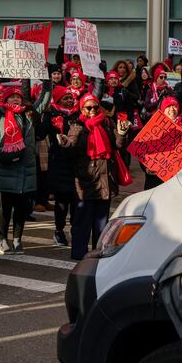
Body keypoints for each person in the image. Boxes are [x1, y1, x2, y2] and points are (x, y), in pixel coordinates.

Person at [0, 65, 51, 254]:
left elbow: (44, 101)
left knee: (21, 210)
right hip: (4, 169)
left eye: (18, 96)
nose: (15, 99)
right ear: (5, 99)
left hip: (25, 170)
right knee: (4, 209)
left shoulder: (29, 116)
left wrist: (47, 80)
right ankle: (2, 239)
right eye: (11, 96)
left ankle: (18, 239)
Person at [58, 93, 130, 260]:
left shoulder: (107, 122)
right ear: (82, 108)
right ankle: (79, 254)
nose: (92, 110)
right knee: (82, 221)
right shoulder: (77, 125)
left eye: (95, 107)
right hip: (86, 178)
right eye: (88, 107)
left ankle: (99, 252)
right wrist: (65, 143)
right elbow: (72, 147)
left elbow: (118, 146)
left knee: (101, 222)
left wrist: (121, 133)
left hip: (105, 178)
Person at [42, 85, 80, 246]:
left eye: (71, 97)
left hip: (76, 164)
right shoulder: (51, 115)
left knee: (77, 201)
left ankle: (75, 229)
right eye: (66, 98)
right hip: (59, 164)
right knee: (62, 202)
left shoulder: (78, 115)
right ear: (58, 100)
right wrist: (45, 117)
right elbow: (40, 133)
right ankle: (59, 230)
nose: (70, 100)